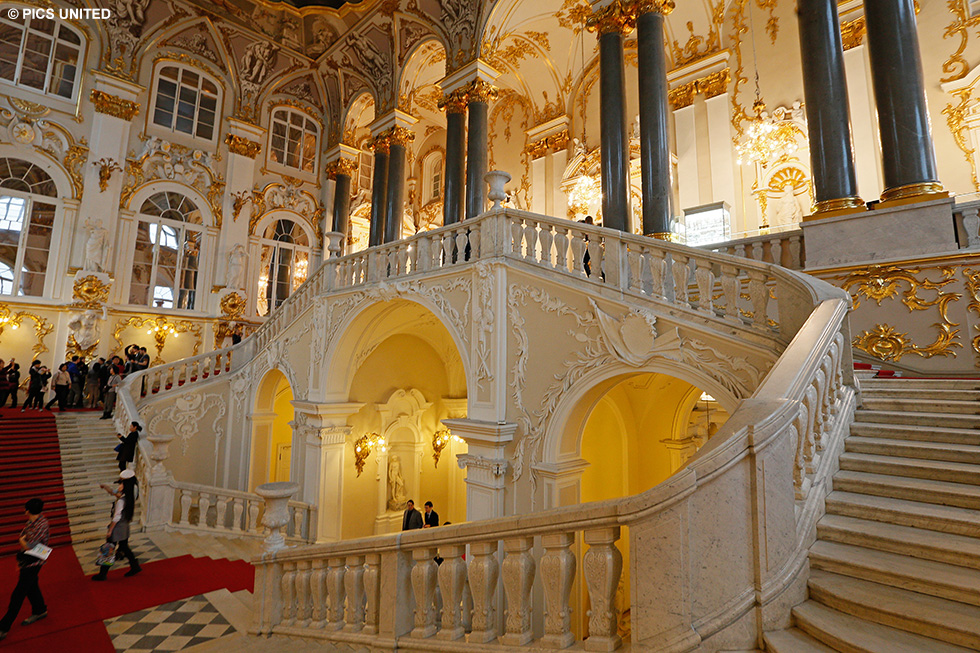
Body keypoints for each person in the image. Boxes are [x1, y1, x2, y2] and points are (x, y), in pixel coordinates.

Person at [0, 498, 50, 641]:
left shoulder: (41, 524)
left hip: (34, 561)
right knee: (32, 586)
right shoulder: (33, 522)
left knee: (18, 593)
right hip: (28, 559)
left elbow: (29, 544)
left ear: (27, 510)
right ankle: (40, 609)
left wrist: (22, 541)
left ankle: (3, 627)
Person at [92, 470, 141, 580]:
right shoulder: (131, 493)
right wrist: (106, 488)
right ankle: (135, 566)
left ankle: (102, 574)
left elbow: (116, 517)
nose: (119, 485)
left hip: (117, 528)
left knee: (108, 549)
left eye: (121, 483)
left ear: (125, 485)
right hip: (125, 526)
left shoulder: (121, 501)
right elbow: (116, 493)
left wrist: (110, 530)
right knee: (124, 547)